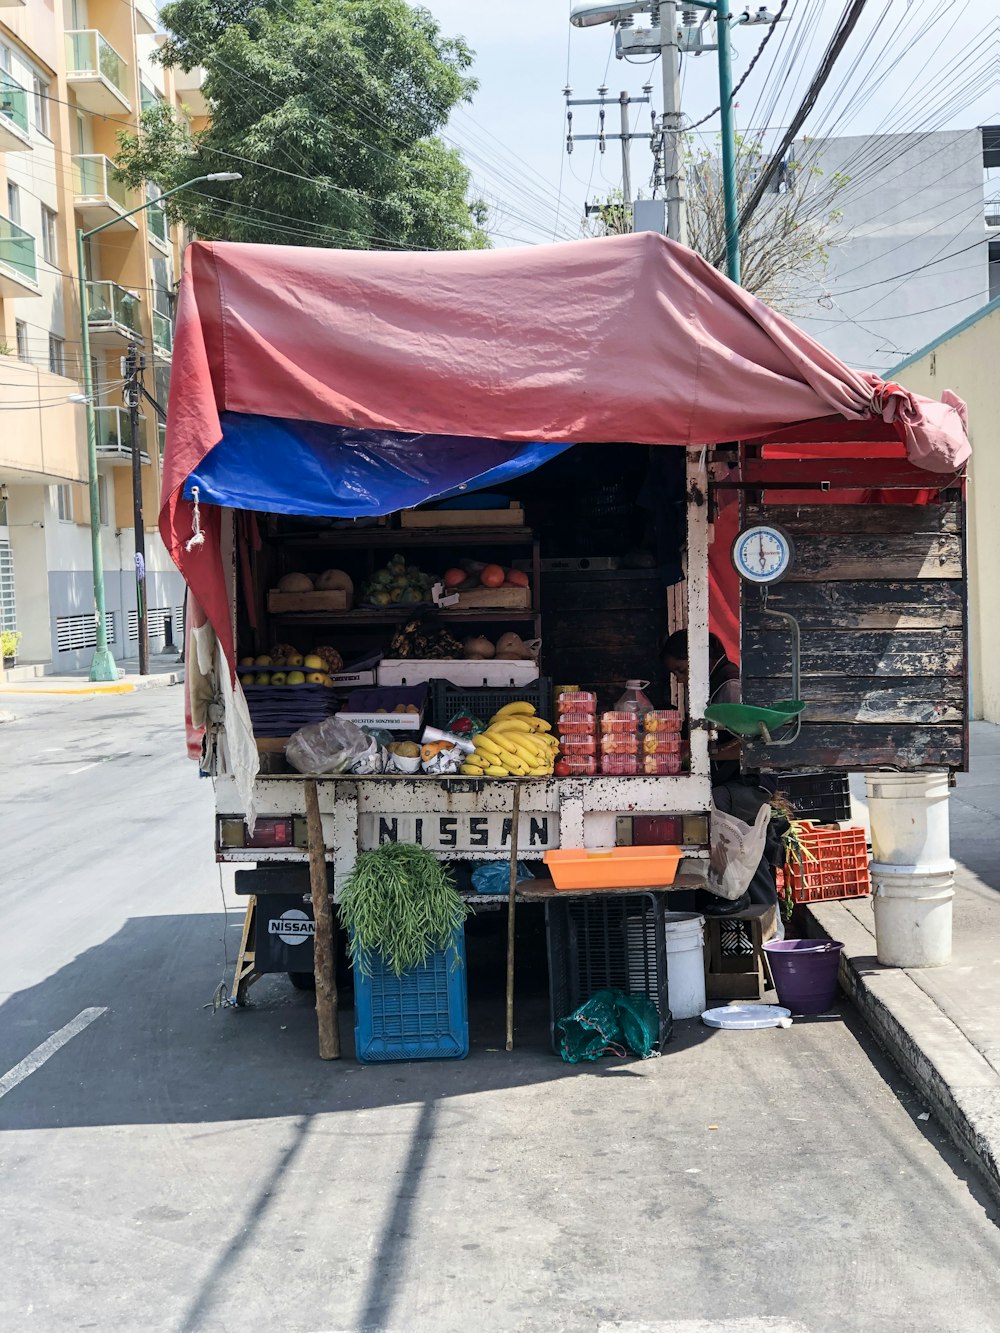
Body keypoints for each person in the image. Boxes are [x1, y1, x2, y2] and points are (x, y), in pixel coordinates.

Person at [659, 628, 785, 917]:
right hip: (735, 779)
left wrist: (707, 753)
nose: (680, 679)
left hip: (751, 783)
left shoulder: (729, 685)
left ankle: (739, 897)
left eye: (680, 670)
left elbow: (748, 744)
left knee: (709, 811)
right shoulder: (711, 683)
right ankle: (730, 895)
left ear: (698, 657)